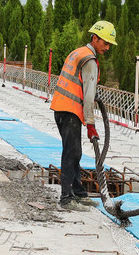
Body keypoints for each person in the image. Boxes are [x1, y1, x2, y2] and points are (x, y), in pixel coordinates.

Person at [49, 20, 116, 210]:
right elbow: (88, 96)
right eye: (105, 42)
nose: (107, 47)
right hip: (70, 111)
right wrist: (91, 124)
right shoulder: (90, 61)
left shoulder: (77, 52)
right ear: (94, 38)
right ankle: (66, 198)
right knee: (72, 152)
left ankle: (78, 193)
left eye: (109, 44)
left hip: (61, 108)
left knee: (73, 151)